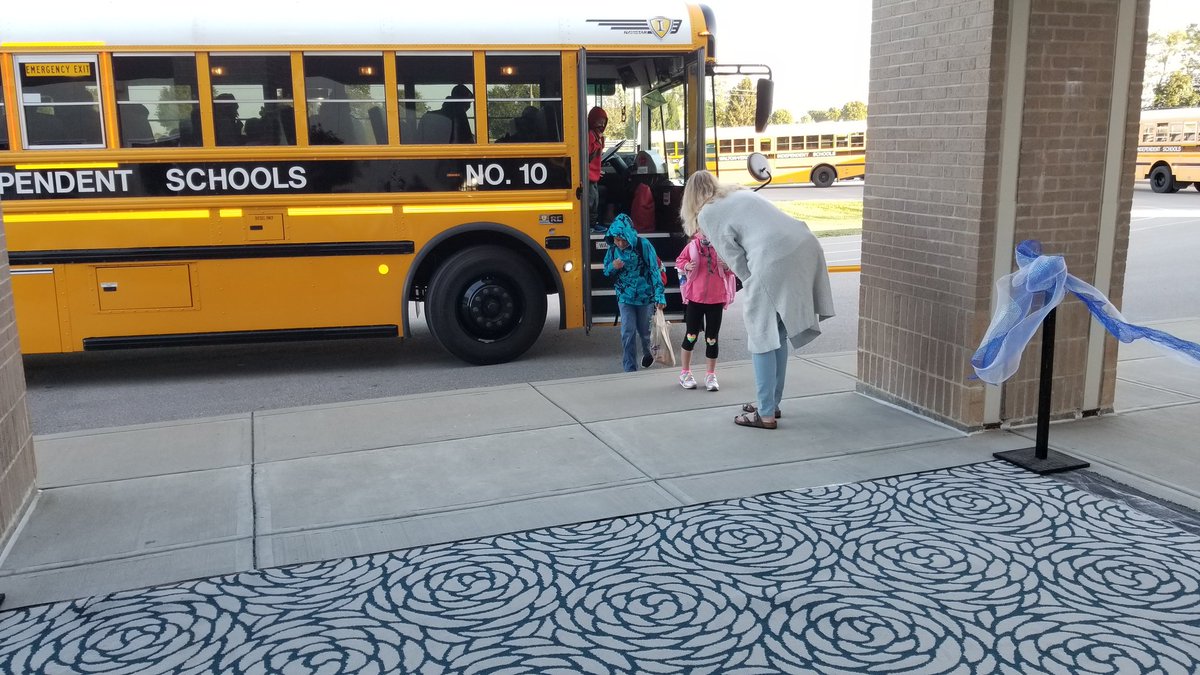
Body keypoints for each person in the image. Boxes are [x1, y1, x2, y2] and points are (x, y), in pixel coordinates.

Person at [680, 170, 835, 429]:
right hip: (804, 244)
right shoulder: (738, 192)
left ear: (690, 198)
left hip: (772, 258)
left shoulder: (708, 213)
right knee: (778, 334)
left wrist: (752, 284)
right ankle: (771, 404)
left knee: (762, 336)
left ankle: (765, 414)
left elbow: (736, 260)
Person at [675, 227, 737, 391]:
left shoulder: (721, 246)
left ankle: (710, 375)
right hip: (695, 298)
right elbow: (679, 261)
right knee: (691, 336)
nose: (706, 233)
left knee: (712, 338)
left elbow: (735, 268)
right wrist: (687, 265)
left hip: (716, 299)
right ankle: (685, 373)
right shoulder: (692, 246)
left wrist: (727, 267)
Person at [603, 213, 667, 372]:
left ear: (629, 235)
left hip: (645, 297)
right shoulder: (613, 249)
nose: (619, 243)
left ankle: (648, 353)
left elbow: (654, 270)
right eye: (616, 239)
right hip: (625, 297)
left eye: (622, 239)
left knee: (645, 332)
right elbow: (606, 271)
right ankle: (630, 368)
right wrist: (613, 266)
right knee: (627, 332)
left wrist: (660, 296)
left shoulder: (643, 245)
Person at [587, 106, 607, 232]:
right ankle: (590, 225)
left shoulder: (597, 136)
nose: (602, 125)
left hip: (594, 174)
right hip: (588, 175)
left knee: (595, 199)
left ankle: (593, 223)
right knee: (591, 200)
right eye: (599, 121)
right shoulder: (590, 135)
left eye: (604, 122)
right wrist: (598, 143)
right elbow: (587, 154)